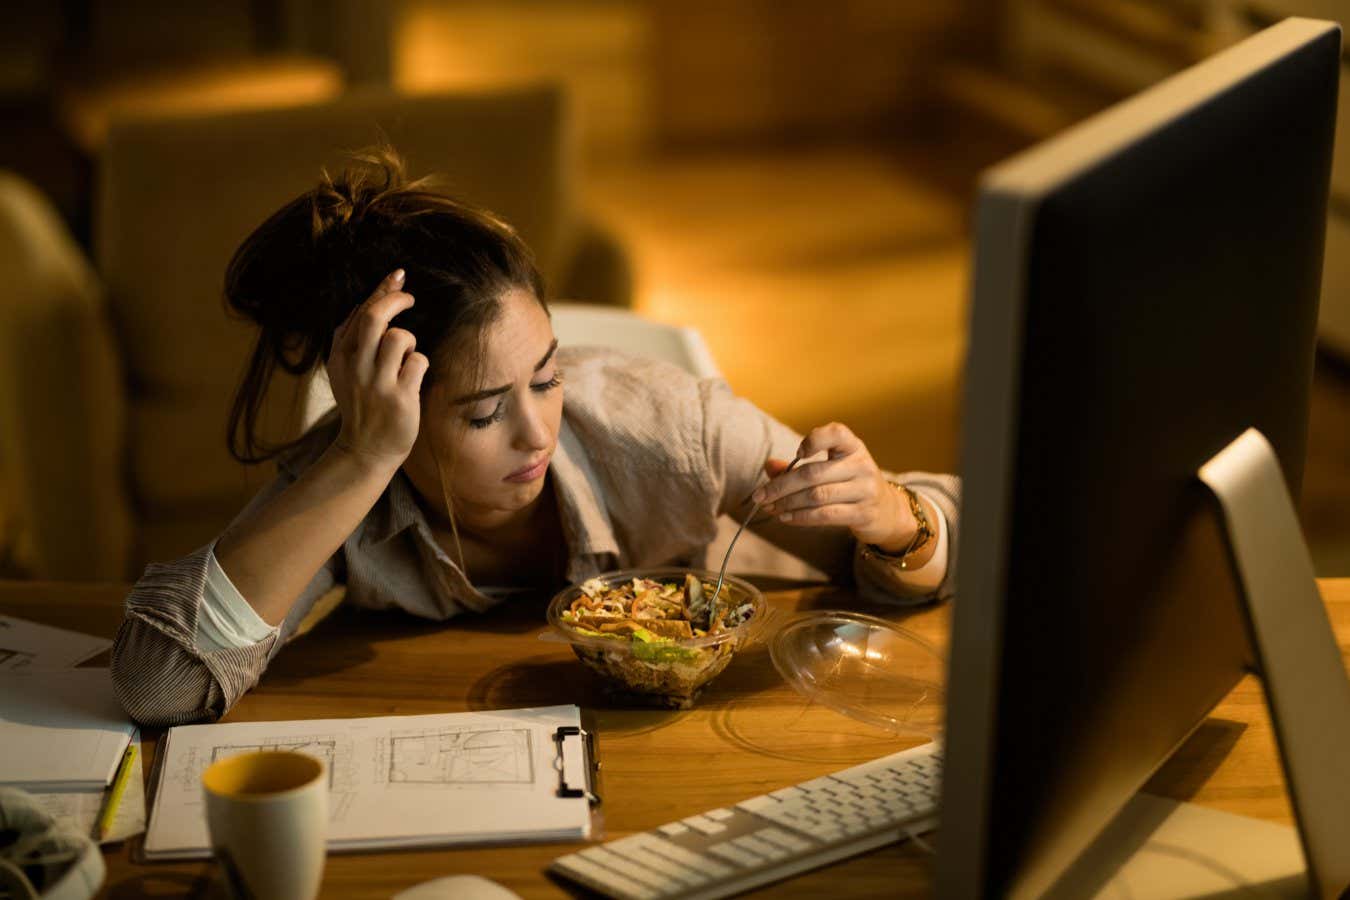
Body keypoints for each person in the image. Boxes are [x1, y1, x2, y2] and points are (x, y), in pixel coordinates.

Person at [110, 148, 961, 726]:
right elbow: (157, 684)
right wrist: (362, 459)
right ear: (386, 408)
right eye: (482, 414)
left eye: (546, 378)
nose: (535, 432)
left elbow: (969, 541)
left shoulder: (670, 427)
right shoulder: (352, 476)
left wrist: (893, 517)